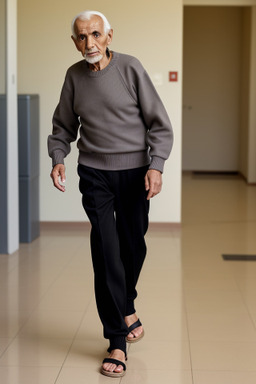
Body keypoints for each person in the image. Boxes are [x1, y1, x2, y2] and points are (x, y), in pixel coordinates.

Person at [48, 10, 173, 378]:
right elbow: (63, 126)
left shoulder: (131, 69)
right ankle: (117, 337)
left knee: (133, 245)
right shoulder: (74, 76)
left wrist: (156, 165)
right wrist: (58, 157)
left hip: (135, 173)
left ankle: (126, 303)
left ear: (109, 36)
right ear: (75, 42)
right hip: (95, 173)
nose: (90, 43)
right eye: (82, 37)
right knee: (105, 250)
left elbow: (159, 124)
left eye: (96, 35)